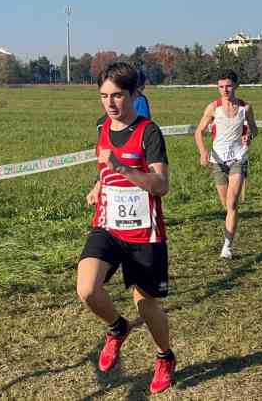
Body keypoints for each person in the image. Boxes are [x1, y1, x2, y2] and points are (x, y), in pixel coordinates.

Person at [77, 62, 176, 394]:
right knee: (87, 289)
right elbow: (104, 170)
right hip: (108, 226)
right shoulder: (101, 127)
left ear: (134, 94)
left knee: (145, 304)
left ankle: (164, 356)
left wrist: (121, 166)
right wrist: (98, 186)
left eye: (117, 95)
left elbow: (161, 185)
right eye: (104, 95)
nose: (110, 103)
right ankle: (117, 328)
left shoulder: (149, 132)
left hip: (144, 232)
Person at [194, 69, 257, 259]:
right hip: (218, 160)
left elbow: (254, 130)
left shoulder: (245, 108)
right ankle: (230, 234)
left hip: (238, 158)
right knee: (228, 206)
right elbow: (198, 132)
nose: (225, 90)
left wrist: (249, 136)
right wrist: (203, 152)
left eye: (228, 86)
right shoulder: (213, 108)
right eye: (221, 86)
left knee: (231, 202)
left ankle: (227, 246)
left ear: (236, 86)